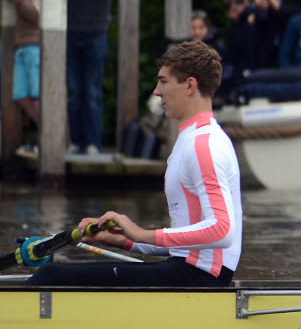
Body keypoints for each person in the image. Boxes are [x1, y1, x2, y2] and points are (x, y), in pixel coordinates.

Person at [26, 41, 243, 287]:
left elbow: (222, 231)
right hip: (189, 270)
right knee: (52, 272)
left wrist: (141, 233)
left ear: (190, 85)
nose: (156, 91)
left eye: (163, 81)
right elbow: (188, 245)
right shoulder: (193, 139)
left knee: (49, 277)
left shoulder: (205, 145)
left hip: (199, 277)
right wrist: (128, 241)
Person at [49, 0, 123, 157]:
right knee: (74, 92)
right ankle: (77, 142)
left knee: (92, 91)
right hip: (72, 34)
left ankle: (93, 143)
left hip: (96, 34)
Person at [0, 0, 52, 150]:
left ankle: (51, 138)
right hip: (20, 46)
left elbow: (35, 16)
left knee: (38, 94)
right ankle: (46, 132)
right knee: (20, 96)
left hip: (36, 46)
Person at [219, 0, 261, 87]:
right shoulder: (234, 26)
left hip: (258, 74)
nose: (232, 15)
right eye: (229, 11)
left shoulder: (255, 18)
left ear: (245, 2)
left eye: (235, 10)